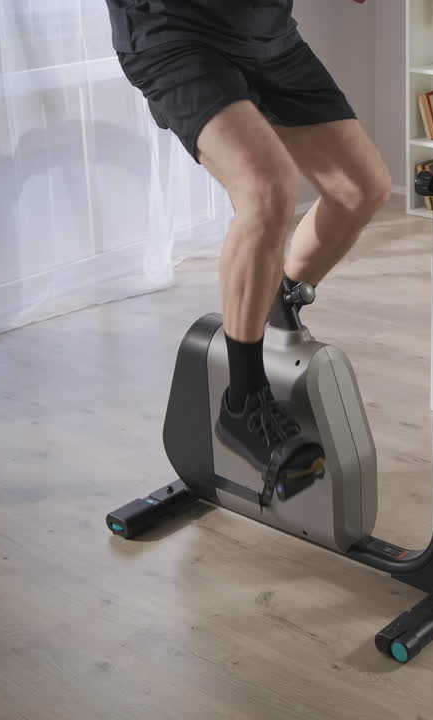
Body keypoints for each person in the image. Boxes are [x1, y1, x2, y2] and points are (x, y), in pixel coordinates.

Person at [107, 0, 391, 488]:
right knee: (266, 189)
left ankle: (277, 302)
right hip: (174, 32)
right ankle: (243, 399)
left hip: (265, 34)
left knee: (361, 188)